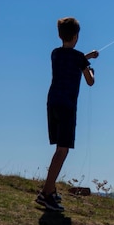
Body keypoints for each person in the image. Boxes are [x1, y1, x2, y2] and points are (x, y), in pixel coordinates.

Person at [36, 17, 99, 211]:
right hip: (67, 106)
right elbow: (90, 81)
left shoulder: (54, 54)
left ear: (59, 35)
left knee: (58, 147)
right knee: (62, 150)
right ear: (77, 36)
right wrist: (91, 69)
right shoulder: (79, 59)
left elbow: (71, 58)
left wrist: (86, 58)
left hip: (52, 103)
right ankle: (46, 193)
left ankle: (50, 190)